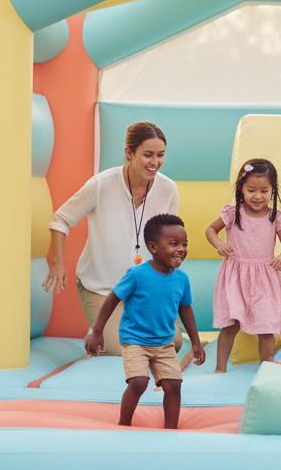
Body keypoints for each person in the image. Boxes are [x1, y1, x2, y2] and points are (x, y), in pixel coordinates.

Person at [45, 121, 180, 357]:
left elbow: (170, 240)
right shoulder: (100, 185)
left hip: (145, 289)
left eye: (160, 155)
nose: (155, 162)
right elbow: (60, 220)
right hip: (103, 287)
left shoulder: (168, 189)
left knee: (173, 344)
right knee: (126, 349)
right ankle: (98, 333)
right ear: (129, 153)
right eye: (147, 155)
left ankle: (118, 329)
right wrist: (58, 264)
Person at [85, 214, 205, 429]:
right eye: (173, 244)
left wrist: (195, 342)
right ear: (153, 247)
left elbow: (186, 310)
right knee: (139, 382)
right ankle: (124, 424)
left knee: (173, 385)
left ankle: (171, 429)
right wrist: (97, 331)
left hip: (164, 342)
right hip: (135, 340)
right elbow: (113, 299)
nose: (181, 249)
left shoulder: (181, 279)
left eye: (184, 244)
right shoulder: (137, 274)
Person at [205, 159, 281, 373]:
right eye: (251, 190)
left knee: (266, 327)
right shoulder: (232, 213)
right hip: (236, 275)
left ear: (272, 191)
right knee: (230, 324)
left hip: (264, 277)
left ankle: (267, 368)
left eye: (264, 191)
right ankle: (220, 368)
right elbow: (210, 229)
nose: (257, 196)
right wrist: (219, 243)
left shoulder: (275, 217)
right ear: (241, 189)